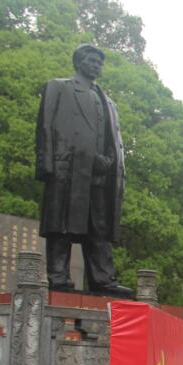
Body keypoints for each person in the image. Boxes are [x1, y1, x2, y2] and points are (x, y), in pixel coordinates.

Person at [36, 44, 132, 297]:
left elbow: (112, 138)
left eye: (99, 62)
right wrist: (46, 165)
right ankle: (58, 277)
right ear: (79, 62)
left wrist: (110, 161)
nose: (96, 66)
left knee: (98, 227)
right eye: (91, 60)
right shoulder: (59, 87)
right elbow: (45, 127)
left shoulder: (108, 101)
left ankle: (103, 279)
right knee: (61, 225)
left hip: (100, 175)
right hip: (67, 169)